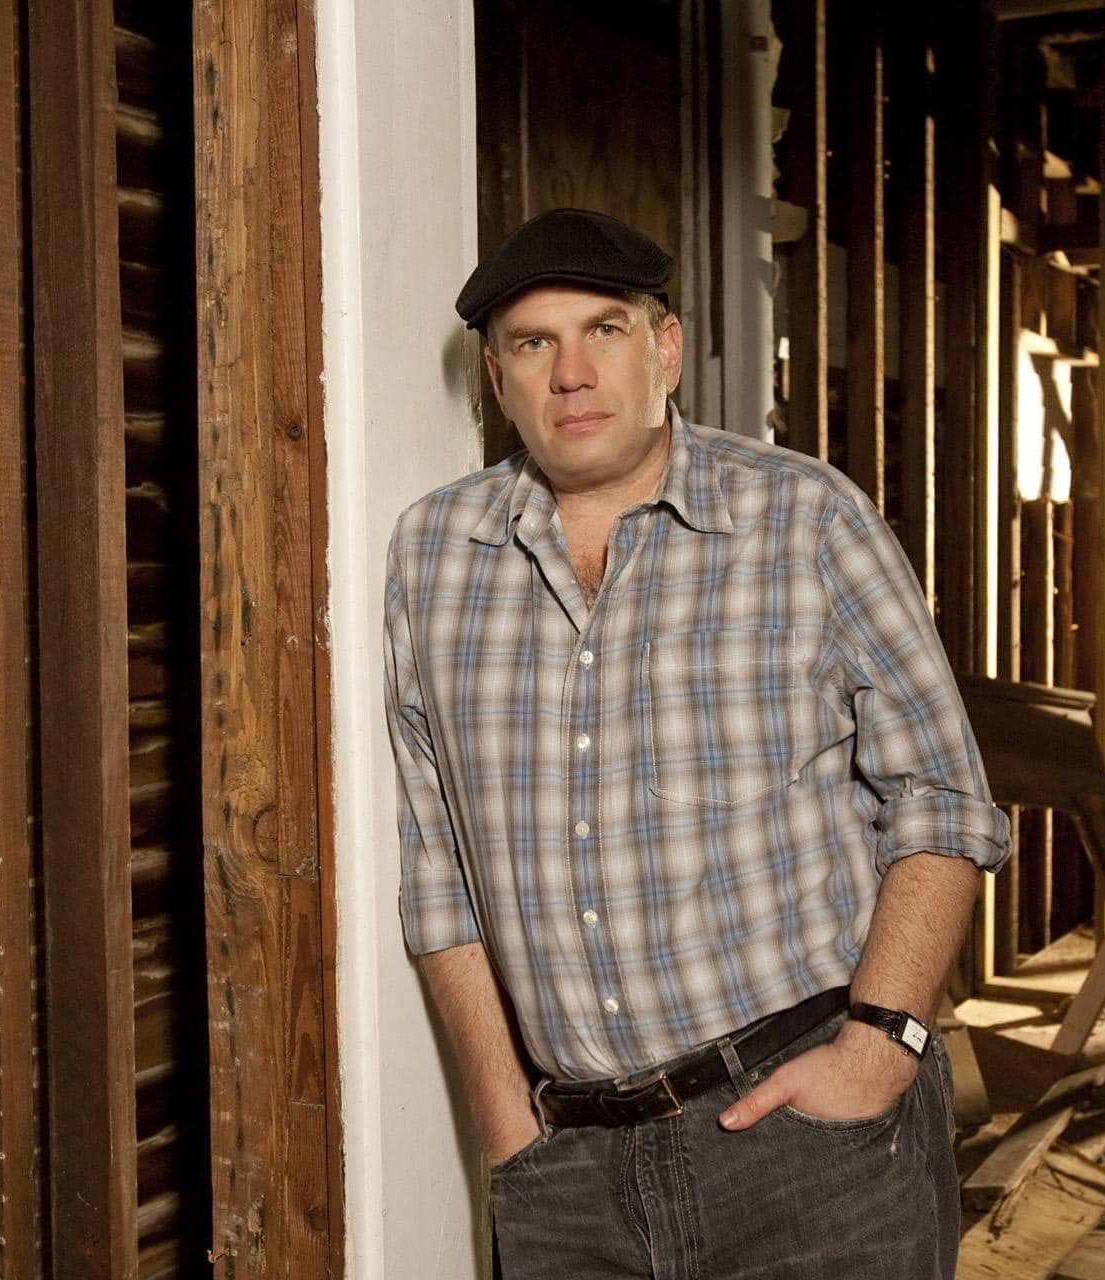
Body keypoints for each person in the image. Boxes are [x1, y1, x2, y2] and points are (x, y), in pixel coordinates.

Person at [384, 207, 1010, 1278]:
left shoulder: (806, 519)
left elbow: (942, 800)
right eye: (534, 343)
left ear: (666, 348)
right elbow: (438, 870)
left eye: (605, 330)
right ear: (497, 380)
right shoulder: (434, 557)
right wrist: (503, 1120)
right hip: (569, 1173)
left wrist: (880, 1046)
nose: (572, 373)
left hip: (812, 1140)